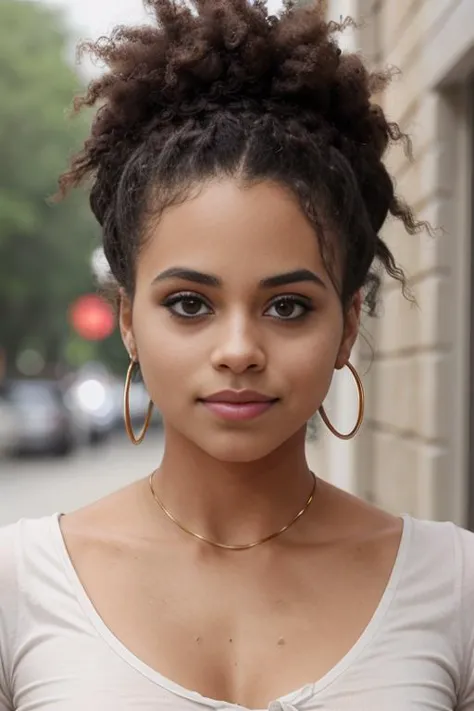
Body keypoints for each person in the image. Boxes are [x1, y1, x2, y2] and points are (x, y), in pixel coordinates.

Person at [0, 1, 473, 709]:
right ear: (129, 320)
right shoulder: (19, 584)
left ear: (347, 326)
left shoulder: (456, 584)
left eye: (288, 306)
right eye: (190, 303)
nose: (239, 351)